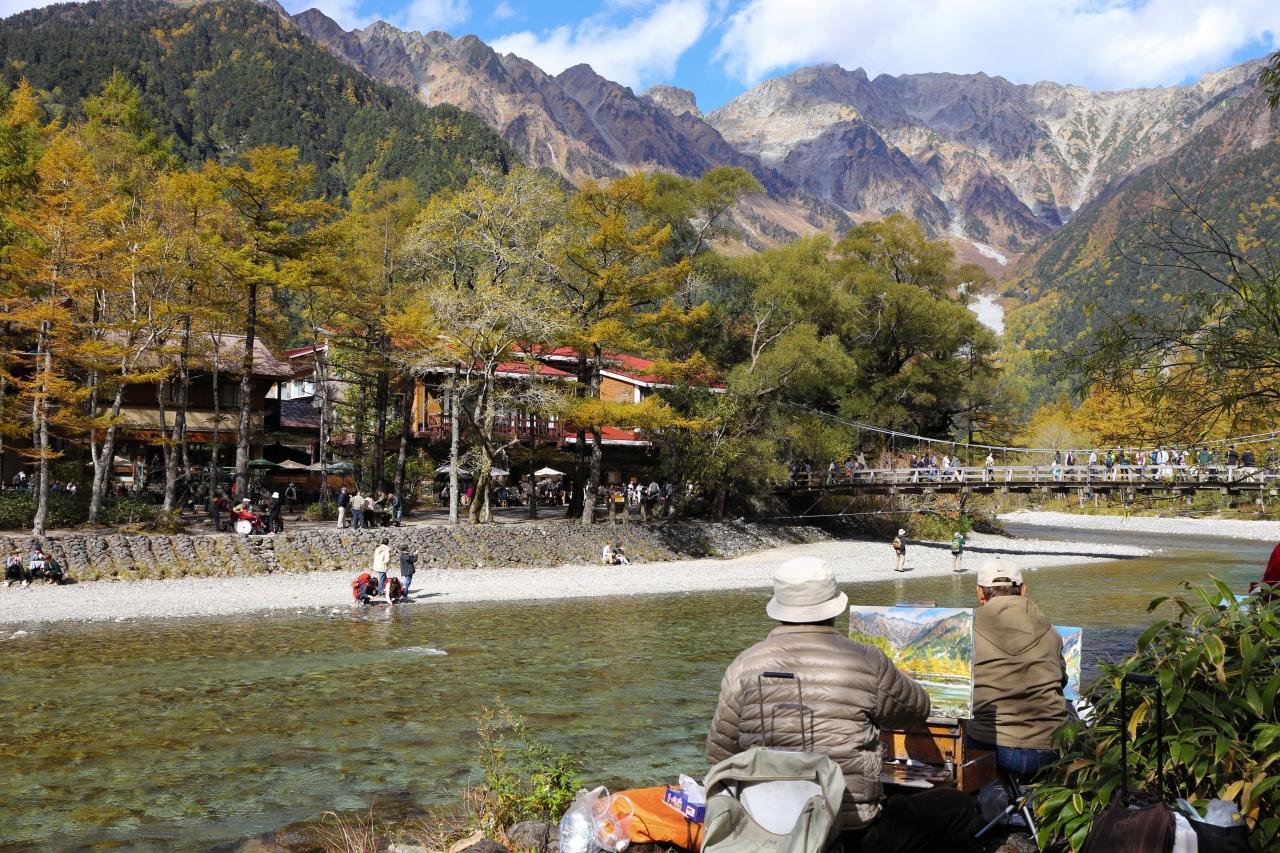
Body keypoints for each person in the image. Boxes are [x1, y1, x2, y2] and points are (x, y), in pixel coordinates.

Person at [707, 556, 975, 851]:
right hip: (849, 833)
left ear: (780, 608)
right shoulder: (866, 660)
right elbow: (917, 710)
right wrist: (898, 679)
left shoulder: (743, 665)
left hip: (769, 832)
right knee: (958, 806)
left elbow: (720, 752)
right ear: (834, 608)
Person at [967, 559, 1068, 778]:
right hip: (1051, 747)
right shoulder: (1050, 631)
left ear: (980, 593)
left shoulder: (965, 629)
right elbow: (1063, 680)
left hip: (991, 745)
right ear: (1023, 590)